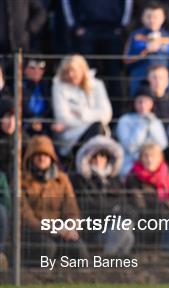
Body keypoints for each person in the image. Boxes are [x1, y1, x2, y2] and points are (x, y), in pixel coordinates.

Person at [21, 135, 88, 264]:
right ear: (30, 158)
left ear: (52, 158)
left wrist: (70, 228)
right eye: (37, 155)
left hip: (60, 231)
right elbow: (26, 217)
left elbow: (72, 210)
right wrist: (53, 229)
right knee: (47, 248)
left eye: (45, 155)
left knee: (78, 249)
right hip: (33, 234)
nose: (41, 159)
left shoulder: (62, 180)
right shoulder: (21, 182)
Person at [71, 136, 134, 256]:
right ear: (88, 158)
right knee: (122, 228)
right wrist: (114, 210)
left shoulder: (115, 181)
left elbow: (126, 206)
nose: (99, 160)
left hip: (113, 226)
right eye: (95, 156)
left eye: (103, 156)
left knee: (127, 233)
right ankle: (106, 257)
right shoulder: (80, 180)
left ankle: (114, 259)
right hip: (93, 230)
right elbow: (88, 207)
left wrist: (116, 211)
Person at [125, 142, 169, 250]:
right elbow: (140, 203)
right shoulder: (133, 176)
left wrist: (165, 205)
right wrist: (165, 205)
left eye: (153, 156)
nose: (149, 159)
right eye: (145, 156)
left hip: (167, 214)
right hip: (144, 219)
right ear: (140, 158)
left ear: (160, 158)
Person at [52, 55, 112, 159]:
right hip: (72, 139)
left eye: (73, 71)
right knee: (96, 128)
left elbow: (106, 114)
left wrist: (81, 114)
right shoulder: (58, 86)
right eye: (67, 72)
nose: (70, 75)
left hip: (98, 132)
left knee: (97, 128)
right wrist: (93, 117)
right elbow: (63, 118)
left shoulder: (97, 85)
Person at [124, 2, 169, 97]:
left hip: (163, 83)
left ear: (163, 18)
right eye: (148, 16)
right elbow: (126, 61)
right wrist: (146, 50)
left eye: (155, 17)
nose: (152, 20)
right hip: (140, 81)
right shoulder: (135, 36)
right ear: (142, 18)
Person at [116, 87, 168, 177]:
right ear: (134, 103)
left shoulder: (155, 121)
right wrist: (142, 125)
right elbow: (130, 147)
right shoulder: (124, 120)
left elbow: (162, 144)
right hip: (130, 165)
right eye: (140, 102)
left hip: (153, 164)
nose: (143, 105)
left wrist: (151, 125)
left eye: (146, 102)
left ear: (152, 103)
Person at [22, 59, 52, 137]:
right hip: (25, 129)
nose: (37, 71)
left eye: (41, 67)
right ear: (24, 69)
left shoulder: (46, 86)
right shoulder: (19, 86)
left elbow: (49, 111)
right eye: (32, 67)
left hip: (44, 129)